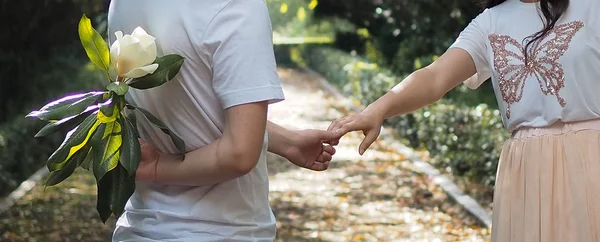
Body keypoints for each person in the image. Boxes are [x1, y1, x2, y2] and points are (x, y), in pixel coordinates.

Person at [329, 0, 600, 241]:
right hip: (525, 168)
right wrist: (376, 110)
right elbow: (435, 77)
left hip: (592, 157)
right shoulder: (491, 22)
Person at [108, 0, 338, 241]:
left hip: (138, 227)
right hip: (223, 230)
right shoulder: (236, 6)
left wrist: (288, 142)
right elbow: (239, 155)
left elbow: (188, 106)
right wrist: (157, 169)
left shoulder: (125, 3)